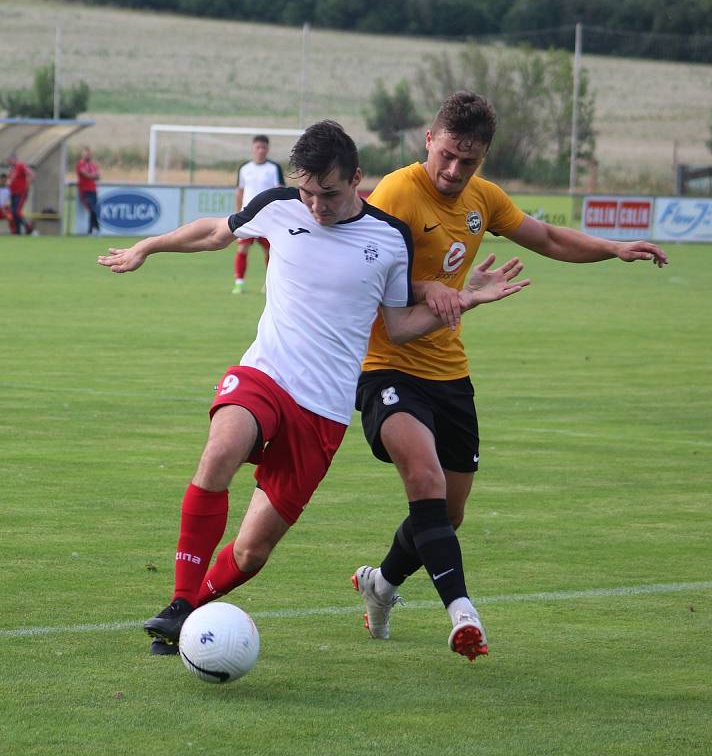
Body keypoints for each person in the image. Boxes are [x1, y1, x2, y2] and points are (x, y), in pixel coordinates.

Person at [96, 120, 530, 659]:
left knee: (253, 551)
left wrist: (459, 303)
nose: (315, 205)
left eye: (327, 193)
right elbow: (215, 232)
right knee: (220, 453)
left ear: (356, 179)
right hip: (265, 376)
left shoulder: (389, 237)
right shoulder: (278, 205)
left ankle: (188, 619)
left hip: (322, 412)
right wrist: (149, 246)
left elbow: (398, 326)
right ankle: (182, 604)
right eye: (306, 191)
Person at [351, 91, 669, 660]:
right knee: (423, 481)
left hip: (449, 374)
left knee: (446, 514)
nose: (452, 171)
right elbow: (361, 272)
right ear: (429, 139)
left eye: (467, 162)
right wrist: (430, 288)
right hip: (387, 365)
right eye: (446, 155)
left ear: (483, 158)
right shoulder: (397, 194)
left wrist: (613, 247)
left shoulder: (484, 199)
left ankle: (381, 585)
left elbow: (545, 238)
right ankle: (462, 612)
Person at [232, 134, 284, 294]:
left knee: (271, 252)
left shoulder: (274, 168)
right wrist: (238, 211)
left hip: (269, 218)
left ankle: (269, 284)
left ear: (267, 149)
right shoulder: (245, 168)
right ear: (253, 149)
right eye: (258, 147)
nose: (261, 150)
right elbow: (239, 191)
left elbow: (280, 192)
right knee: (242, 250)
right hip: (247, 217)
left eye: (264, 148)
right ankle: (239, 283)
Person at [7, 155, 35, 235]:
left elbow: (30, 173)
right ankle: (17, 231)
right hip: (13, 193)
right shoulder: (12, 170)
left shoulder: (20, 165)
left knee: (17, 211)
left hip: (20, 193)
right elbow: (11, 181)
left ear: (14, 159)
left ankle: (29, 228)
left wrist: (27, 185)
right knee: (13, 212)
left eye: (10, 160)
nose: (9, 162)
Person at [76, 147, 101, 235]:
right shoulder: (80, 164)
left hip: (93, 190)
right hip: (85, 191)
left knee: (93, 209)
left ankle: (93, 230)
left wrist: (92, 175)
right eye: (86, 154)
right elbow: (86, 175)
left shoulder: (93, 165)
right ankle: (94, 229)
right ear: (83, 155)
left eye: (89, 154)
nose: (88, 156)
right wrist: (93, 175)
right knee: (92, 209)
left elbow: (98, 175)